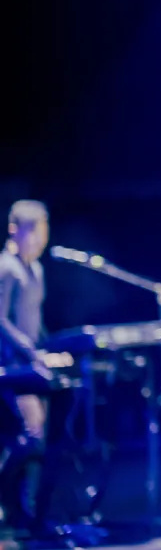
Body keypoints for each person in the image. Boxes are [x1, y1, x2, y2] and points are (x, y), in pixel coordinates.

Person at [0, 200, 52, 531]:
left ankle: (24, 511)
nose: (37, 240)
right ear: (13, 231)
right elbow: (1, 320)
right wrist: (32, 352)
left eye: (42, 233)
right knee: (29, 437)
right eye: (31, 232)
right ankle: (12, 503)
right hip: (11, 367)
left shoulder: (37, 270)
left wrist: (50, 349)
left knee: (37, 439)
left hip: (31, 365)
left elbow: (35, 321)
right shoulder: (6, 268)